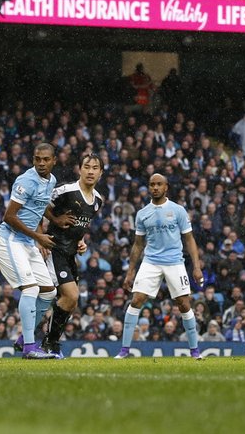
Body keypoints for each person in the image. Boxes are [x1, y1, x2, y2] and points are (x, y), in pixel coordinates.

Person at [118, 173, 203, 359]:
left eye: (159, 184)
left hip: (175, 262)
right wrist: (130, 272)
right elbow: (138, 244)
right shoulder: (142, 213)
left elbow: (189, 239)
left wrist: (196, 266)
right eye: (152, 185)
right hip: (151, 262)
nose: (155, 187)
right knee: (136, 299)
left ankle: (195, 351)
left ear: (166, 187)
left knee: (183, 303)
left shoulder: (178, 210)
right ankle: (124, 350)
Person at [0, 143, 58, 359]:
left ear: (53, 161)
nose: (41, 163)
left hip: (27, 242)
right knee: (30, 290)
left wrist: (55, 219)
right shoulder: (26, 181)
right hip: (9, 240)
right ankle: (30, 348)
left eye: (45, 159)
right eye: (37, 158)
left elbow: (40, 205)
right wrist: (38, 237)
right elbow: (9, 217)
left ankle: (23, 339)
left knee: (49, 292)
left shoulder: (51, 181)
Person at [41, 153, 105, 357]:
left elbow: (81, 224)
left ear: (100, 173)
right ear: (80, 169)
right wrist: (41, 235)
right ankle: (48, 343)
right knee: (70, 295)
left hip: (70, 253)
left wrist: (81, 240)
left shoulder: (98, 200)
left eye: (95, 168)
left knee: (71, 301)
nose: (90, 171)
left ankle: (46, 343)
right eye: (87, 166)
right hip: (54, 248)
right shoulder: (65, 191)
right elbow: (40, 206)